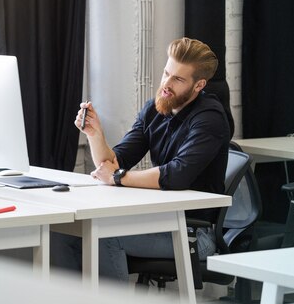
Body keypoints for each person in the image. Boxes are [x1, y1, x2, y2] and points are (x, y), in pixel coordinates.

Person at [51, 37, 230, 282]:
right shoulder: (155, 109)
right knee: (63, 232)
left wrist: (118, 178)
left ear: (198, 85)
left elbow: (177, 175)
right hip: (157, 220)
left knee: (101, 234)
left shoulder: (209, 118)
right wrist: (95, 134)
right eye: (166, 73)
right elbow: (115, 162)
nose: (166, 83)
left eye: (178, 79)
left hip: (194, 234)